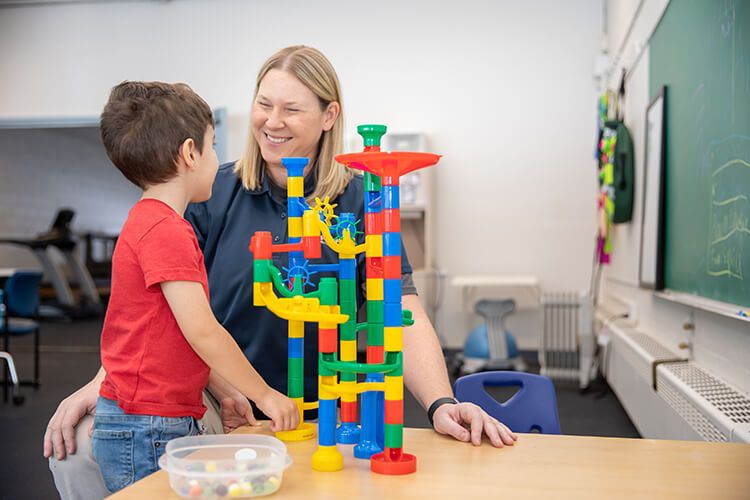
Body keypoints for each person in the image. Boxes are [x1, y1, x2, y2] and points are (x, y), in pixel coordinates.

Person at [45, 46, 516, 500]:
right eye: (264, 104)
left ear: (329, 116)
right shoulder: (208, 192)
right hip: (219, 397)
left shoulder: (360, 199)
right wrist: (106, 387)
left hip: (326, 406)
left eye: (291, 109)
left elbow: (399, 304)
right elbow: (156, 308)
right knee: (79, 446)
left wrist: (441, 403)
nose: (272, 122)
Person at [86, 81, 298, 494]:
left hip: (149, 419)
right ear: (189, 153)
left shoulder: (149, 221)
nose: (217, 158)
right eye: (213, 145)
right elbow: (203, 331)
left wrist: (226, 390)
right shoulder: (167, 231)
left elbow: (172, 332)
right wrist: (265, 394)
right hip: (146, 424)